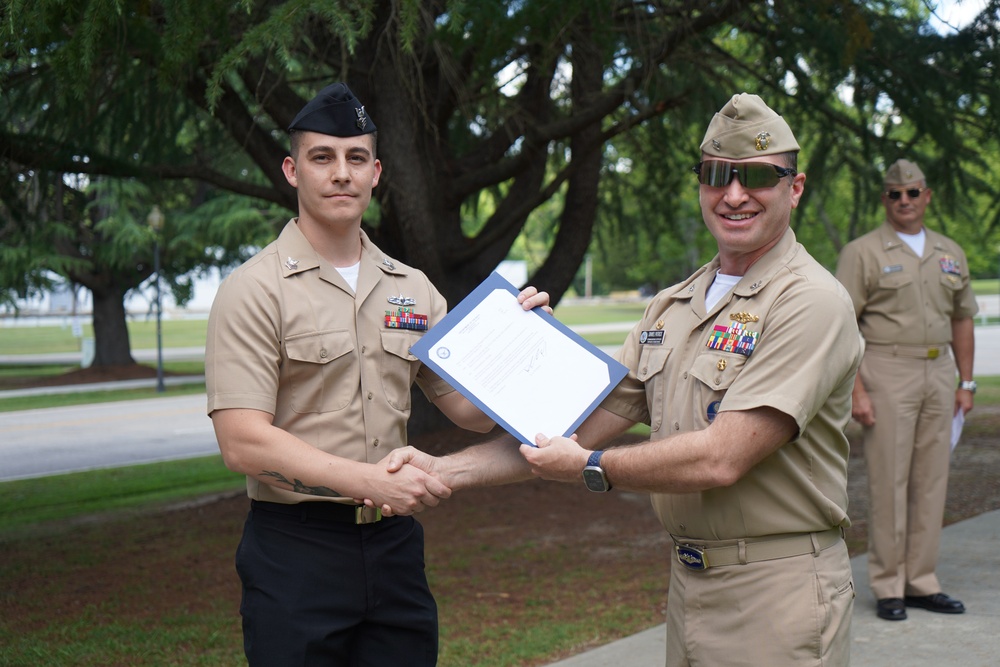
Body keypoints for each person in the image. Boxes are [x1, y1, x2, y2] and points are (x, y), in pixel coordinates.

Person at [387, 93, 863, 666]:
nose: (734, 195)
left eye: (758, 177)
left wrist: (592, 468)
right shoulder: (672, 306)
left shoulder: (809, 301)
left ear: (795, 187)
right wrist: (450, 461)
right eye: (717, 176)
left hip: (777, 592)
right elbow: (568, 430)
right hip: (689, 587)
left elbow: (722, 457)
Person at [204, 81, 549, 666]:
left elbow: (467, 412)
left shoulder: (412, 288)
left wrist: (522, 341)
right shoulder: (254, 290)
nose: (341, 173)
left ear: (376, 172)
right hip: (295, 550)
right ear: (292, 170)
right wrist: (370, 481)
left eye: (356, 158)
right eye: (322, 157)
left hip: (393, 549)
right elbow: (242, 442)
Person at [835, 159, 977, 622]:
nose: (904, 201)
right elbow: (842, 326)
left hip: (939, 371)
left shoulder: (949, 251)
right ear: (885, 199)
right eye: (895, 194)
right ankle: (888, 585)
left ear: (926, 196)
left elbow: (962, 318)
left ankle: (922, 581)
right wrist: (856, 391)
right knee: (889, 481)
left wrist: (966, 382)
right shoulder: (862, 252)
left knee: (932, 480)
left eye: (913, 192)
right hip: (886, 369)